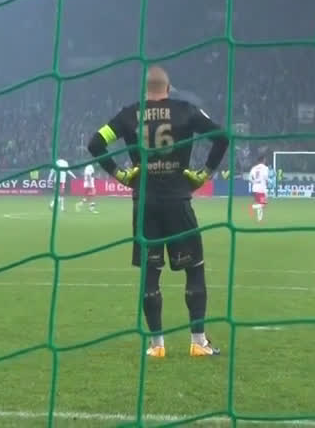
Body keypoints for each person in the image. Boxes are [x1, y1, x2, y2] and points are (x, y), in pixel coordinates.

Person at [87, 65, 229, 359]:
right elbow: (222, 136)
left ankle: (156, 345)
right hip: (178, 201)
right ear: (168, 88)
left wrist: (121, 175)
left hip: (145, 205)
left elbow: (95, 143)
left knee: (150, 274)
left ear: (146, 89)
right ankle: (198, 342)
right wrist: (204, 174)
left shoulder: (129, 115)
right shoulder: (185, 111)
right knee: (194, 268)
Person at [248, 154, 269, 222]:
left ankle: (260, 219)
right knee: (263, 204)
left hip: (255, 188)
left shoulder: (254, 168)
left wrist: (254, 182)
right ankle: (252, 207)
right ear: (263, 160)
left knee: (259, 203)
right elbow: (266, 177)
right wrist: (268, 182)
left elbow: (249, 178)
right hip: (262, 188)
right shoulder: (265, 168)